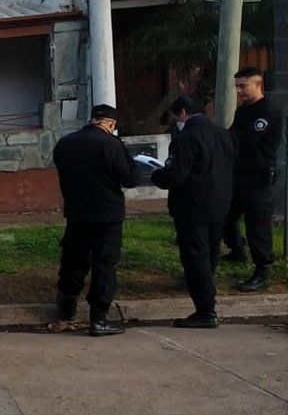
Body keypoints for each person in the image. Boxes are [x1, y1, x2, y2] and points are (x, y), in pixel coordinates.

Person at [52, 105, 139, 336]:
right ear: (111, 124)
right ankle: (98, 318)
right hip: (107, 214)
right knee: (104, 263)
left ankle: (67, 305)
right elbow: (130, 179)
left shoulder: (66, 143)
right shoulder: (111, 144)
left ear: (92, 119)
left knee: (73, 257)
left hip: (77, 211)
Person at [151, 96, 238, 328]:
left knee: (195, 257)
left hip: (192, 206)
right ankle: (207, 289)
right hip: (220, 203)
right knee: (211, 250)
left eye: (176, 117)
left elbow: (176, 175)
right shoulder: (223, 134)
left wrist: (157, 175)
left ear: (182, 113)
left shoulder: (186, 138)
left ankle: (205, 310)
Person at [222, 67, 283, 291]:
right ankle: (237, 250)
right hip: (239, 174)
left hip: (258, 177)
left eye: (243, 86)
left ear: (258, 85)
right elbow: (232, 135)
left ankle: (262, 271)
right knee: (225, 215)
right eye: (237, 87)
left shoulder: (268, 110)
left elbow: (247, 139)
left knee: (257, 224)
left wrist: (230, 139)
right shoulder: (243, 111)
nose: (239, 91)